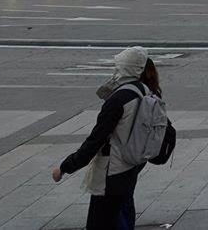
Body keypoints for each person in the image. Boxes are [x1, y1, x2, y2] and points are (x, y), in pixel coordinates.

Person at [53, 45, 176, 230]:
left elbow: (95, 140)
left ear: (126, 69)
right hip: (132, 165)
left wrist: (65, 166)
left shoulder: (120, 99)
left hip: (112, 171)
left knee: (102, 221)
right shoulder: (147, 91)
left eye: (118, 67)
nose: (115, 71)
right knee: (124, 212)